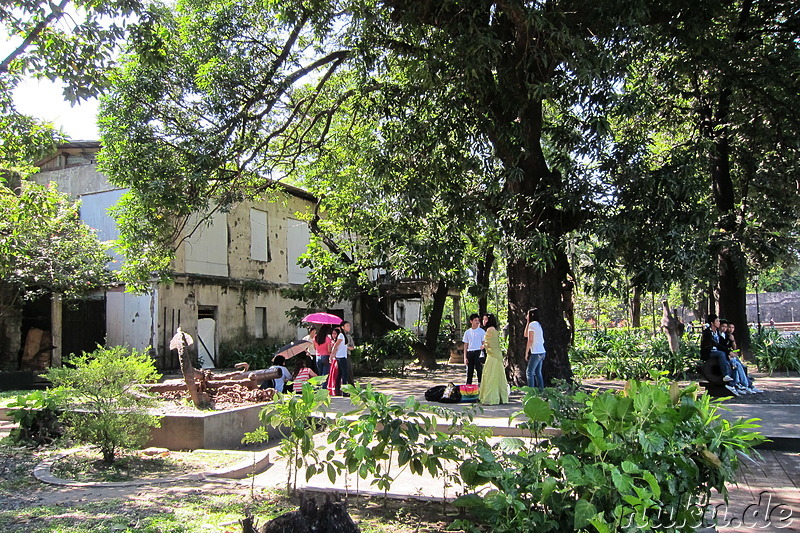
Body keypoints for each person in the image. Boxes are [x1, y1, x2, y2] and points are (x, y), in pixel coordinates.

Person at [700, 314, 736, 394]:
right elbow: (715, 344)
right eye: (717, 321)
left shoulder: (717, 333)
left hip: (716, 351)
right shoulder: (707, 333)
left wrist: (729, 351)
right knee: (721, 354)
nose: (719, 322)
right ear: (712, 323)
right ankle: (725, 375)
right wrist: (728, 351)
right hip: (708, 352)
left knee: (730, 360)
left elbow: (720, 345)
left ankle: (734, 383)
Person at [478, 314, 508, 405]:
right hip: (495, 355)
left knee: (490, 375)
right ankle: (499, 396)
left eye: (485, 319)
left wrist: (484, 346)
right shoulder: (493, 329)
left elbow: (491, 343)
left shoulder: (489, 330)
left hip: (492, 356)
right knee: (496, 376)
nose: (484, 321)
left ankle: (491, 397)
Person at [525, 308, 546, 390]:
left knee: (529, 372)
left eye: (528, 314)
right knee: (538, 372)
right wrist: (527, 322)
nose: (526, 316)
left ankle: (531, 392)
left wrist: (526, 352)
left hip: (536, 352)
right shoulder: (537, 324)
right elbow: (525, 334)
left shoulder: (532, 325)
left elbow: (530, 340)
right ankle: (541, 390)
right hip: (542, 351)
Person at [462, 313, 485, 384]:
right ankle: (468, 386)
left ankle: (480, 384)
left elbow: (484, 342)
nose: (477, 322)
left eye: (478, 320)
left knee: (479, 369)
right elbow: (466, 344)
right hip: (470, 352)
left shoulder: (481, 331)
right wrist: (465, 357)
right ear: (471, 321)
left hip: (478, 352)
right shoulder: (467, 332)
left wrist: (483, 346)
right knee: (470, 371)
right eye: (475, 320)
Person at [331, 321, 352, 393]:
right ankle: (344, 392)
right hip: (341, 357)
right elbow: (336, 345)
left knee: (340, 374)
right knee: (344, 374)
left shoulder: (344, 335)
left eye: (349, 326)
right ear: (342, 327)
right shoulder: (341, 335)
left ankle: (337, 391)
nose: (349, 327)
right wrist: (332, 355)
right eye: (347, 326)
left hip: (342, 356)